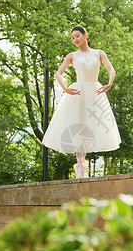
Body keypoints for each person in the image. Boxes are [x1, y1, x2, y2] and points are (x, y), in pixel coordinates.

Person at [42, 26, 121, 178]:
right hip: (78, 92)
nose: (75, 40)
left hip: (95, 92)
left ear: (85, 35)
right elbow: (58, 73)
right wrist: (65, 88)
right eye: (72, 38)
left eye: (77, 36)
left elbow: (111, 70)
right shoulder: (72, 56)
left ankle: (84, 167)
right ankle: (80, 167)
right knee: (79, 125)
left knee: (93, 124)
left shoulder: (99, 53)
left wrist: (109, 84)